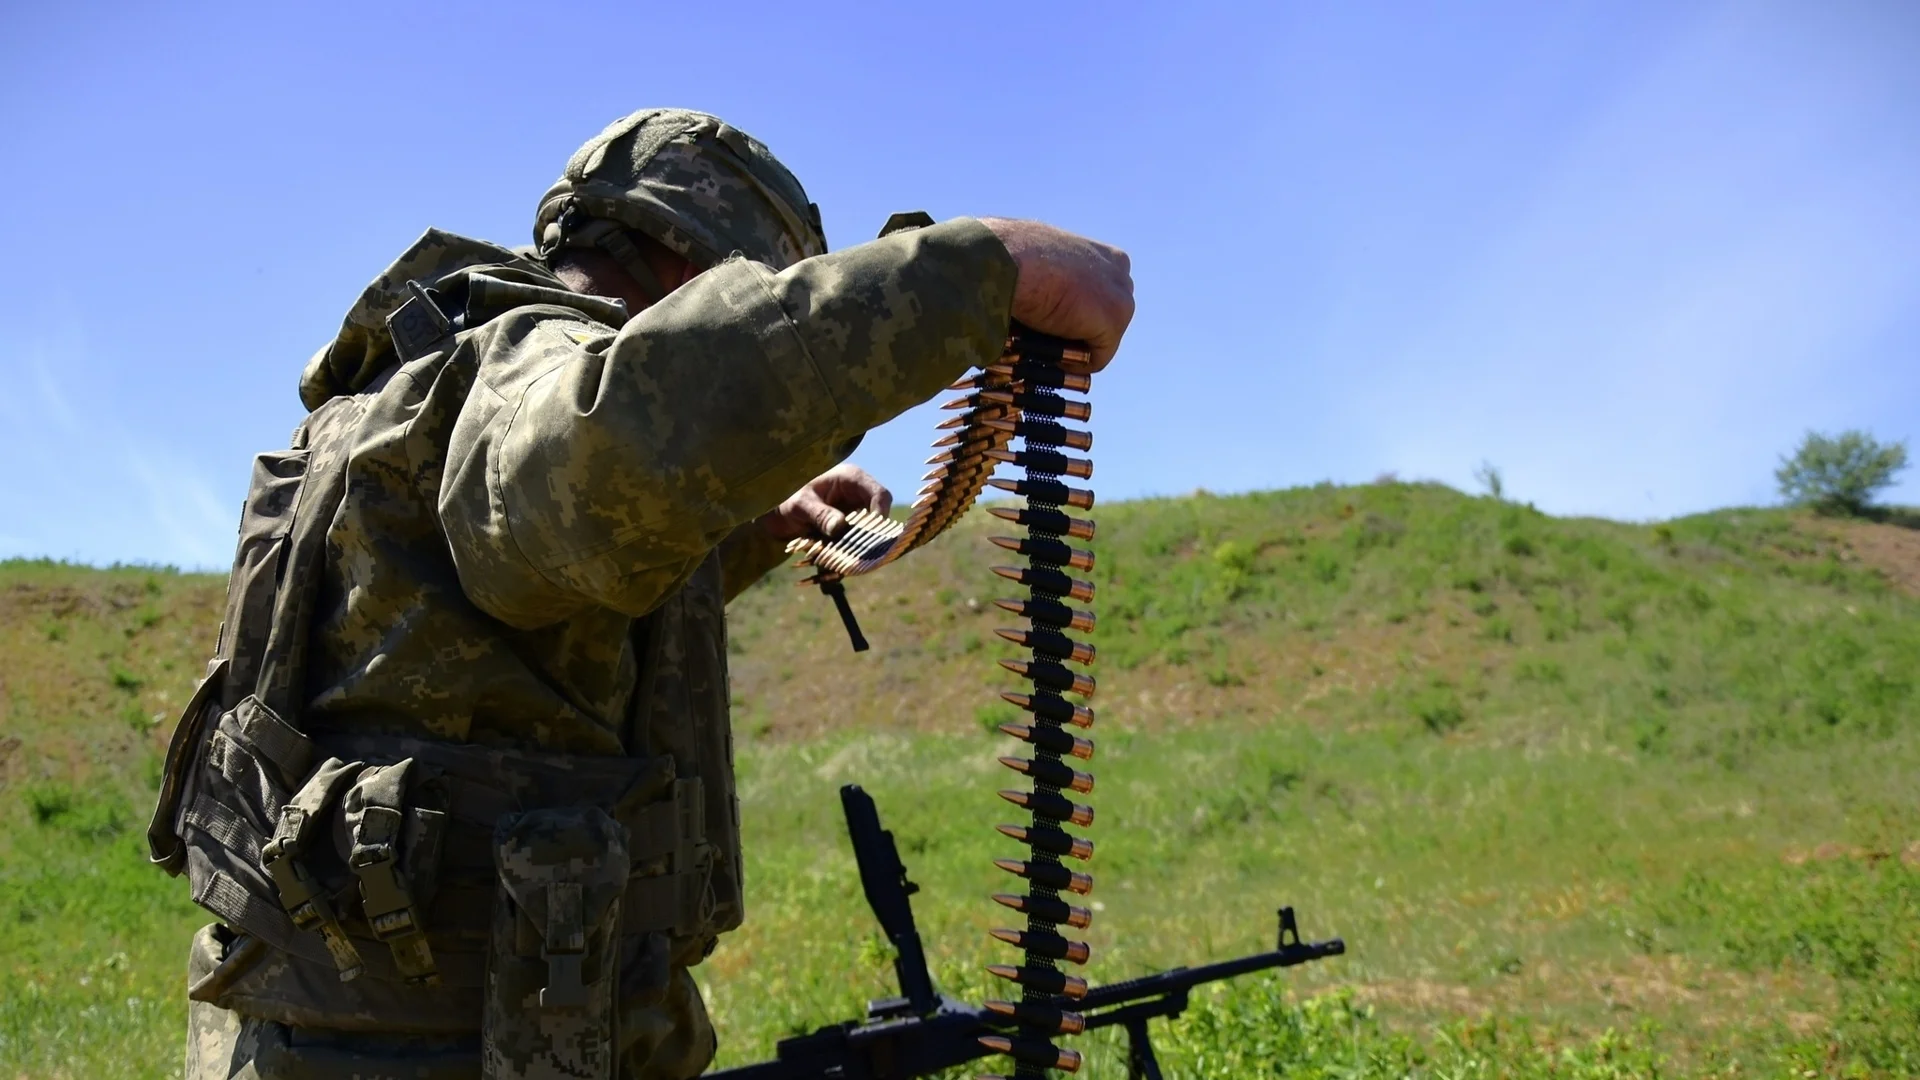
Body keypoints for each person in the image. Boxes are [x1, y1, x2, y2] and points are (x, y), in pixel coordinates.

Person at [149, 107, 1132, 1079]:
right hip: (456, 1048)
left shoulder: (420, 387)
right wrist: (983, 267)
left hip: (360, 1034)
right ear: (699, 271)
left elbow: (503, 632)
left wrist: (762, 523)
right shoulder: (522, 362)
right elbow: (600, 464)